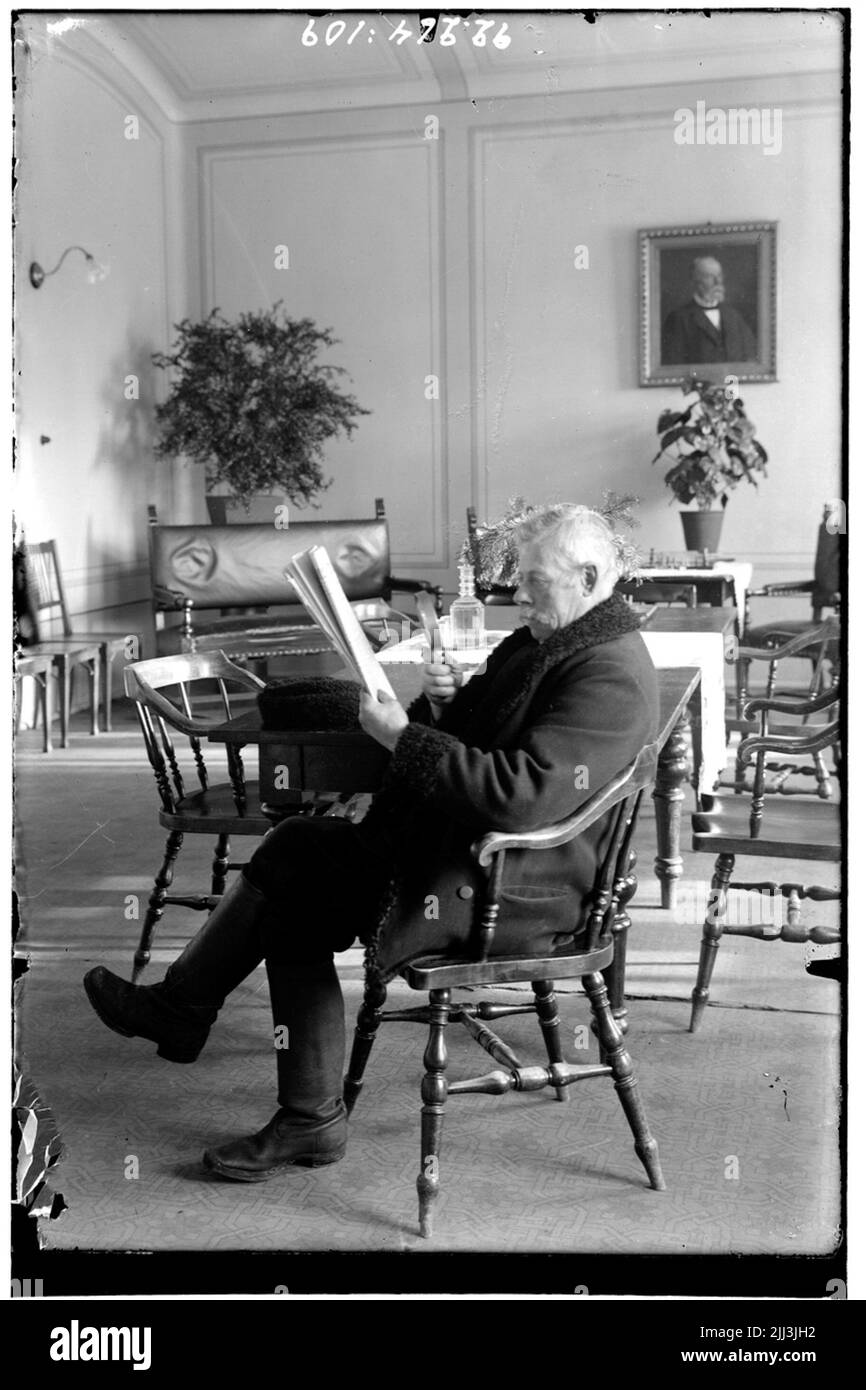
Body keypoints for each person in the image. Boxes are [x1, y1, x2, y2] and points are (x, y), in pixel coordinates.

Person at [83, 504, 659, 1182]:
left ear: (588, 578)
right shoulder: (554, 641)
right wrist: (443, 707)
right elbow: (489, 743)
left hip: (520, 886)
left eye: (535, 580)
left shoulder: (607, 670)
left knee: (295, 878)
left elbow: (518, 795)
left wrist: (402, 737)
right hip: (481, 856)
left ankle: (226, 1047)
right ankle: (254, 1072)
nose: (518, 593)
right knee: (296, 855)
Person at [661, 255, 757, 364]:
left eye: (719, 275)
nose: (718, 281)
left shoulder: (733, 316)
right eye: (710, 276)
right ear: (695, 281)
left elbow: (751, 356)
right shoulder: (679, 318)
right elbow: (673, 364)